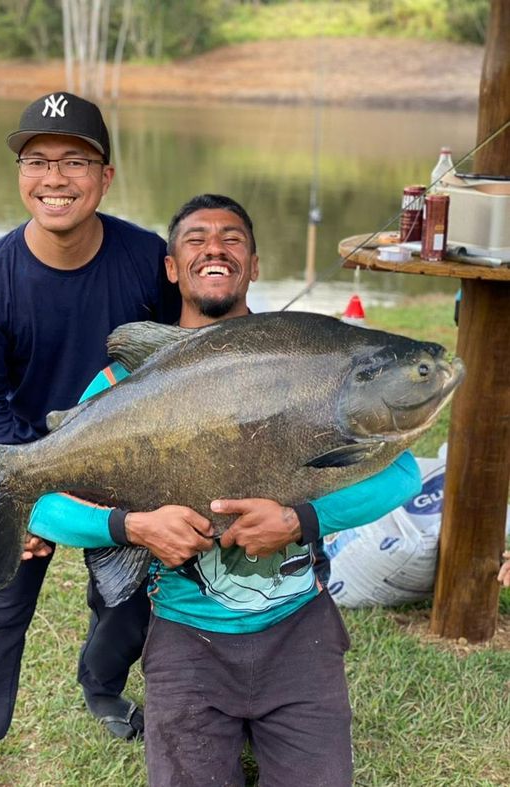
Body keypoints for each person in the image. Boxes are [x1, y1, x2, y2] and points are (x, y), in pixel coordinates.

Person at [28, 193, 423, 786]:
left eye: (232, 238)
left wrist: (298, 521)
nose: (214, 247)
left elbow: (403, 476)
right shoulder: (118, 384)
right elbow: (43, 502)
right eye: (196, 239)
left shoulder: (311, 364)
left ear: (255, 265)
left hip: (301, 632)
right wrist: (131, 527)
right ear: (172, 268)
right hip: (184, 638)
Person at [0, 92, 181, 787]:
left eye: (75, 161)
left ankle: (101, 684)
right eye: (39, 161)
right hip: (26, 464)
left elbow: (183, 359)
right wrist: (25, 496)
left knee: (131, 596)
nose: (55, 178)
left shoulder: (148, 259)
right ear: (20, 174)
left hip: (128, 463)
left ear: (105, 175)